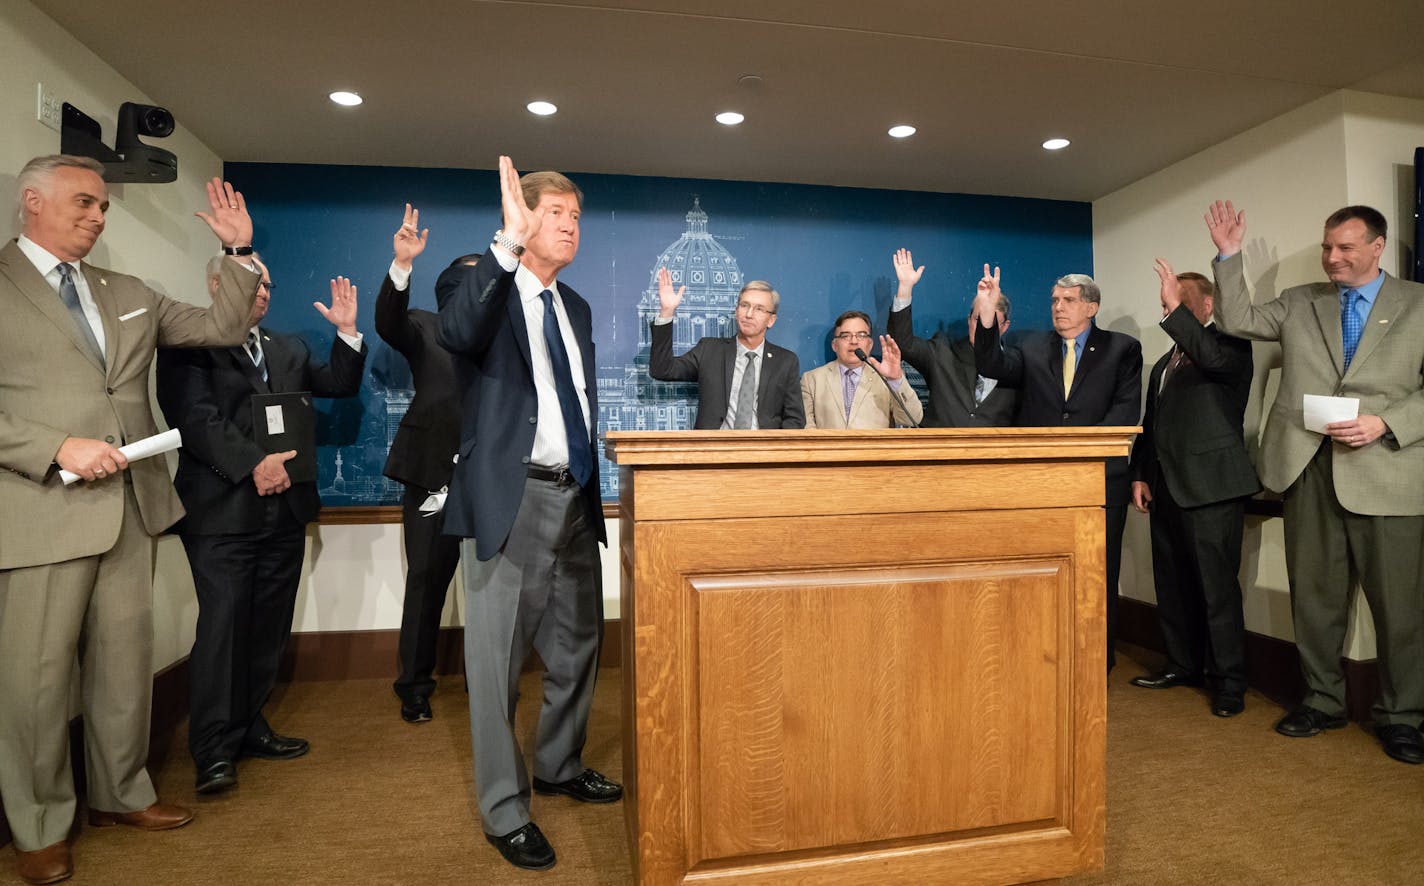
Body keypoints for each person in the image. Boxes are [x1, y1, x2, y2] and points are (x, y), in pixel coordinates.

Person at [0, 155, 259, 885]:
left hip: (131, 506)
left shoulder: (128, 292)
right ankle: (40, 824)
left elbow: (221, 326)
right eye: (84, 203)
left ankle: (120, 794)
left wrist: (237, 253)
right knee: (36, 681)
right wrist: (54, 447)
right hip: (40, 510)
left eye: (104, 208)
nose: (97, 217)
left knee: (123, 670)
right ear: (32, 201)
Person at [436, 156, 620, 871]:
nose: (570, 226)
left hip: (574, 495)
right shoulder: (477, 279)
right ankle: (505, 808)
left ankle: (559, 765)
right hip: (509, 500)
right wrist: (506, 247)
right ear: (521, 215)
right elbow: (456, 330)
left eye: (577, 218)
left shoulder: (575, 307)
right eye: (556, 214)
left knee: (578, 649)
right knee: (496, 665)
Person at [1206, 200, 1424, 763]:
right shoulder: (1300, 302)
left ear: (1378, 247)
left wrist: (1388, 421)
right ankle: (1322, 700)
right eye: (1328, 247)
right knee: (1315, 597)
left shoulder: (1419, 304)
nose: (1332, 258)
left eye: (1346, 248)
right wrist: (1229, 256)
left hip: (1390, 473)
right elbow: (1237, 320)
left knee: (1400, 607)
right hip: (1309, 468)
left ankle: (1402, 716)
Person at [156, 256, 367, 794]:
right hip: (222, 514)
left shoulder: (288, 346)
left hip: (285, 511)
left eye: (269, 283)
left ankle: (249, 727)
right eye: (252, 281)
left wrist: (346, 333)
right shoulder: (189, 344)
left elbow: (339, 384)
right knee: (224, 629)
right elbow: (195, 419)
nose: (263, 290)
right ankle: (212, 749)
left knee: (267, 628)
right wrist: (255, 463)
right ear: (216, 285)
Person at [972, 265, 1142, 670]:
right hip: (1041, 483)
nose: (1058, 308)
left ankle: (1098, 659)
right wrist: (986, 310)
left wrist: (1077, 457)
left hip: (1099, 479)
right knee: (1042, 567)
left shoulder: (1122, 348)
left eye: (1068, 301)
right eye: (1054, 301)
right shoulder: (1033, 347)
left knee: (1100, 570)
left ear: (1092, 307)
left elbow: (1123, 413)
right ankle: (1043, 652)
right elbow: (992, 364)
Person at [1128, 262, 1259, 716]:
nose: (1168, 307)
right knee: (1174, 584)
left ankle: (1229, 682)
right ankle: (1183, 664)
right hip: (1167, 489)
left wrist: (1175, 311)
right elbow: (1152, 425)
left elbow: (1210, 355)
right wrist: (1142, 474)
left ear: (1207, 305)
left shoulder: (1230, 347)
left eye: (1178, 300)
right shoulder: (1165, 363)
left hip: (1213, 490)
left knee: (1216, 589)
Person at [374, 205, 467, 723]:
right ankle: (413, 684)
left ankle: (491, 678)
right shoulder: (424, 327)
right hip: (431, 473)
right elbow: (388, 322)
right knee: (426, 577)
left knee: (496, 584)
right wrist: (402, 265)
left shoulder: (508, 337)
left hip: (490, 477)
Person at [649, 268, 805, 429]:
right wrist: (667, 311)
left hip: (762, 450)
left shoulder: (785, 361)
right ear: (737, 311)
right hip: (713, 448)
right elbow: (662, 369)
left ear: (771, 320)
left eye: (759, 309)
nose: (749, 314)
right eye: (744, 305)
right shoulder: (709, 350)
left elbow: (795, 419)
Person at [887, 248, 1017, 427]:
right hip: (941, 450)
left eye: (991, 323)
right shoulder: (942, 351)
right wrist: (905, 288)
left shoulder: (1015, 364)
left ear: (1005, 327)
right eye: (979, 319)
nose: (982, 328)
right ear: (969, 320)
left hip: (993, 452)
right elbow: (902, 342)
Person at [801, 310, 922, 428]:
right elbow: (807, 428)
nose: (854, 341)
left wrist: (896, 380)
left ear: (870, 344)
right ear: (834, 345)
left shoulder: (886, 378)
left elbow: (912, 419)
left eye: (861, 335)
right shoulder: (812, 379)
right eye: (845, 336)